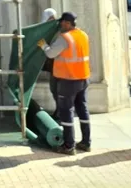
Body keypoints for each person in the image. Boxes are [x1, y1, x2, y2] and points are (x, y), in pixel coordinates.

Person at [38, 12, 91, 155]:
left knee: (66, 112)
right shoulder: (83, 35)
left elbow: (50, 53)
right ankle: (86, 142)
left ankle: (69, 146)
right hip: (83, 78)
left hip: (68, 80)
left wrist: (43, 45)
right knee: (82, 110)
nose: (61, 25)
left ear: (68, 23)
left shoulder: (64, 38)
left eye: (62, 22)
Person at [40, 8, 59, 119]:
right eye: (49, 19)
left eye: (53, 18)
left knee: (58, 90)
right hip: (53, 67)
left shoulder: (58, 30)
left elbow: (52, 51)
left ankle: (60, 113)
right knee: (54, 89)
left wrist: (44, 46)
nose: (51, 21)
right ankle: (59, 111)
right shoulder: (45, 30)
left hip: (60, 65)